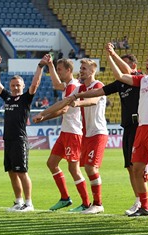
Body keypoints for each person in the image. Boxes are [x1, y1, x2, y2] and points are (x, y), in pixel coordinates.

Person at [100, 29, 148, 217]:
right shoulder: (143, 80)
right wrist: (109, 56)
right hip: (141, 129)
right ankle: (145, 206)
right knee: (138, 168)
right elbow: (120, 77)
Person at [70, 49, 148, 216]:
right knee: (130, 167)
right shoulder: (120, 84)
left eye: (125, 63)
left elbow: (123, 75)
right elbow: (99, 92)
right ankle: (138, 201)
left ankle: (145, 202)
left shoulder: (139, 78)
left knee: (139, 167)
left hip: (140, 127)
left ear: (133, 66)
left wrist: (112, 55)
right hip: (127, 127)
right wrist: (79, 95)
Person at [32, 56, 92, 212]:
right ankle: (65, 198)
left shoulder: (73, 86)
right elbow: (56, 84)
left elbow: (64, 108)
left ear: (68, 70)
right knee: (51, 163)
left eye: (60, 69)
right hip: (65, 132)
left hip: (73, 133)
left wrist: (43, 114)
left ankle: (86, 203)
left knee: (74, 169)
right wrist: (50, 65)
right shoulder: (67, 86)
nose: (58, 72)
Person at [0, 54, 45, 212]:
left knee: (22, 171)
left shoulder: (25, 99)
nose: (15, 87)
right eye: (13, 85)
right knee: (11, 172)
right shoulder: (8, 98)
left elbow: (35, 84)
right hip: (7, 140)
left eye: (18, 85)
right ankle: (18, 201)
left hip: (19, 140)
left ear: (22, 86)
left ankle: (29, 203)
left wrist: (40, 66)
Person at [66, 59, 108, 214]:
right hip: (87, 134)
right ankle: (93, 203)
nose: (81, 71)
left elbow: (93, 100)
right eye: (81, 68)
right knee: (88, 167)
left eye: (84, 68)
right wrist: (44, 114)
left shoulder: (98, 85)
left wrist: (77, 102)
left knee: (91, 167)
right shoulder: (81, 88)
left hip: (98, 132)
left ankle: (98, 204)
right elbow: (67, 99)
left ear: (92, 71)